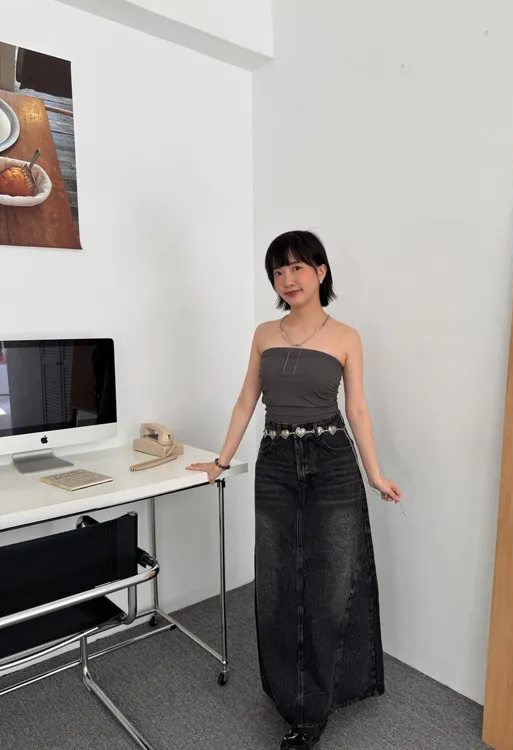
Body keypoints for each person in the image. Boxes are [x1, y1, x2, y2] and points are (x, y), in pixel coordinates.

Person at [187, 230, 402, 749]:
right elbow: (246, 401)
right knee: (278, 583)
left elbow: (357, 409)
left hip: (332, 461)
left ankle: (318, 704)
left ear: (320, 272)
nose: (288, 279)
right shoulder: (265, 333)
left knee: (332, 583)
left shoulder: (346, 336)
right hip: (277, 462)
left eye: (297, 267)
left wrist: (374, 473)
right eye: (278, 272)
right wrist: (221, 460)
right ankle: (292, 696)